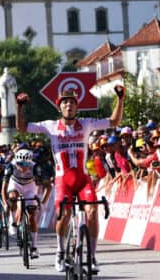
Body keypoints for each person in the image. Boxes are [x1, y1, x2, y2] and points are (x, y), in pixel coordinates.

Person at [16, 84, 125, 274]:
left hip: (83, 179)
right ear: (60, 107)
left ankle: (91, 257)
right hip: (62, 180)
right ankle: (60, 252)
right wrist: (20, 107)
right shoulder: (50, 126)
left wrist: (121, 99)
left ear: (77, 107)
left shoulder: (87, 123)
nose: (69, 106)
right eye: (65, 103)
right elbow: (21, 127)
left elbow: (114, 122)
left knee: (92, 212)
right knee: (65, 214)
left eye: (72, 103)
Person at [3, 148, 40, 259]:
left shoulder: (35, 167)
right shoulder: (10, 166)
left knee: (32, 216)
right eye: (20, 164)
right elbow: (4, 187)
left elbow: (41, 183)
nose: (23, 167)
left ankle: (34, 246)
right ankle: (13, 221)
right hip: (15, 184)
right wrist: (6, 203)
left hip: (29, 186)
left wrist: (39, 200)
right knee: (13, 197)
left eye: (26, 164)